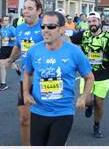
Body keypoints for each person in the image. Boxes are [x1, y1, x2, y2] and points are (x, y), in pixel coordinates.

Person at [23, 11, 94, 146]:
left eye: (50, 26)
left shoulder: (74, 52)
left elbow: (89, 77)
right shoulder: (34, 51)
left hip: (63, 112)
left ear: (61, 29)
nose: (45, 30)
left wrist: (84, 96)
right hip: (38, 110)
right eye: (42, 26)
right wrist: (26, 93)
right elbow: (27, 73)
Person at [71, 11, 109, 138]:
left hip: (104, 75)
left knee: (99, 103)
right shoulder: (83, 35)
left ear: (99, 22)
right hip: (86, 74)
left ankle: (96, 125)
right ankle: (89, 105)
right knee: (87, 101)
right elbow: (67, 41)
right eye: (89, 21)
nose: (92, 23)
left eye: (94, 21)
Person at [7, 0, 44, 145]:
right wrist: (10, 59)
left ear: (39, 11)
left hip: (43, 80)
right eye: (25, 8)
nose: (26, 12)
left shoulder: (45, 28)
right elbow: (18, 46)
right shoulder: (20, 28)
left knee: (44, 120)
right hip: (26, 79)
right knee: (24, 119)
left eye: (30, 8)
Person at [0, 16, 21, 91]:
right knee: (2, 64)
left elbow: (17, 37)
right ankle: (3, 84)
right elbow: (2, 37)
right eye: (3, 20)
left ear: (9, 21)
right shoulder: (1, 29)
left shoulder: (12, 29)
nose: (4, 21)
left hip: (11, 48)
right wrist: (1, 39)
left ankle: (16, 68)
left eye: (6, 20)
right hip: (4, 47)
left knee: (9, 64)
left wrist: (10, 39)